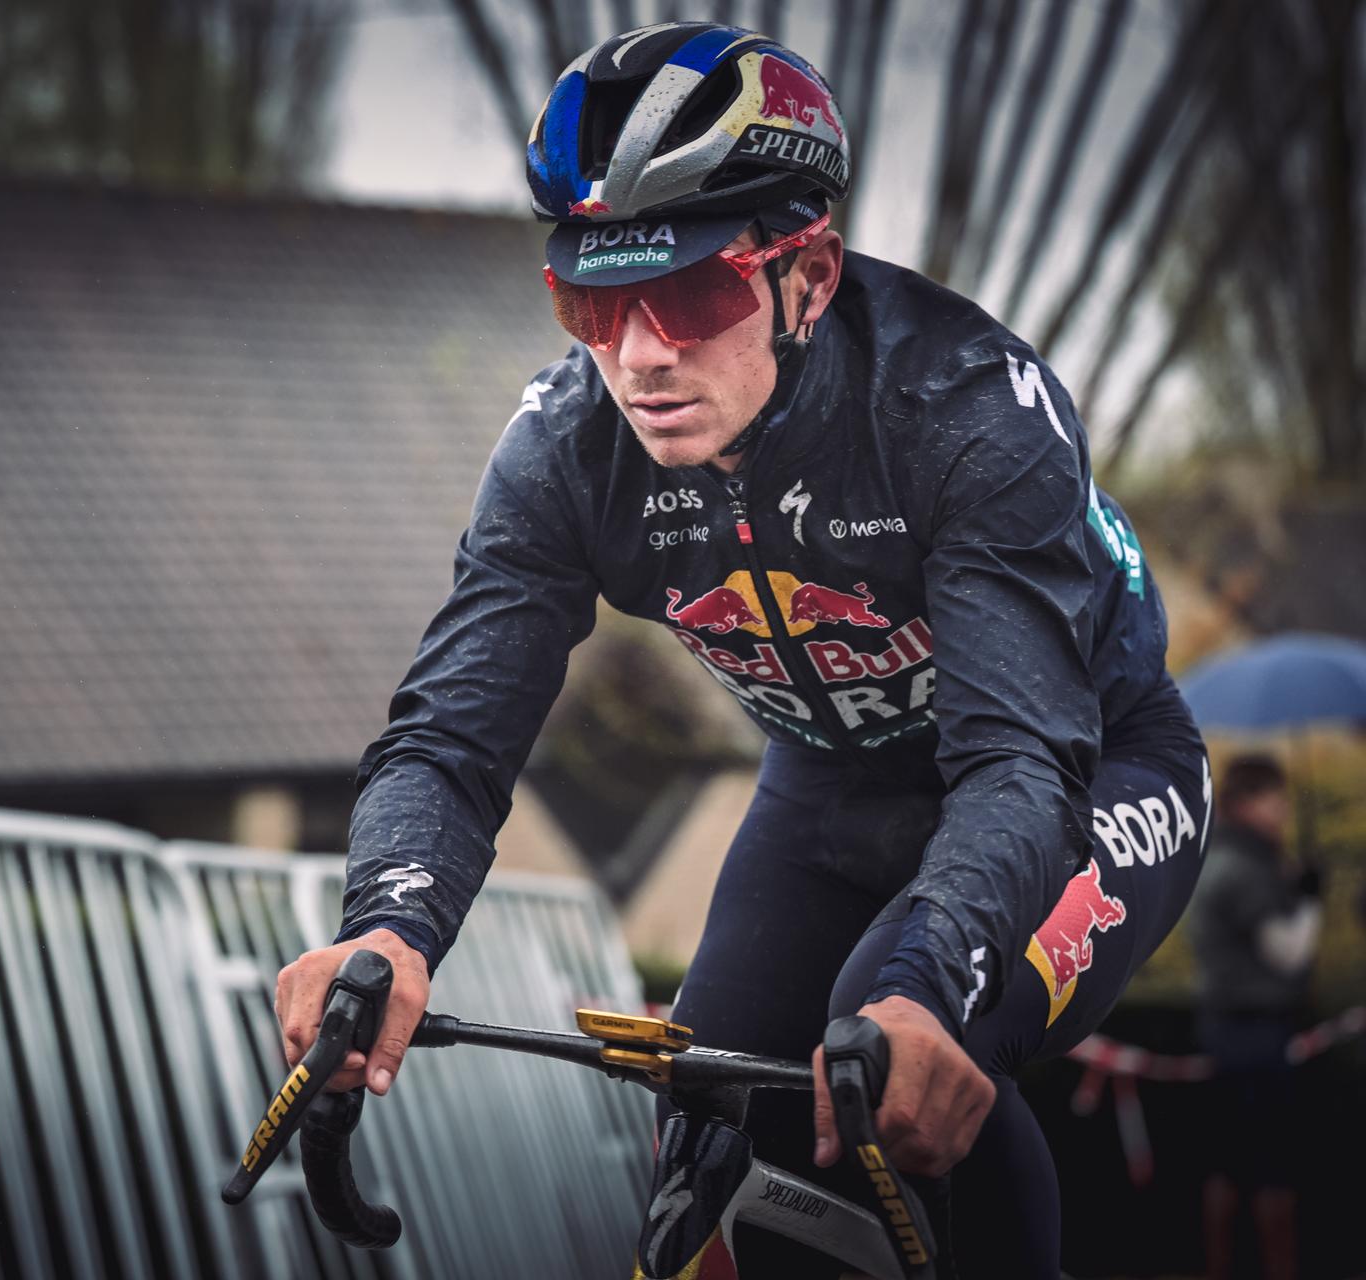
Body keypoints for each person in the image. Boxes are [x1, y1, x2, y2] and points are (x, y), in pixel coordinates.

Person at [274, 23, 1210, 1277]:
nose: (640, 353)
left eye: (694, 292)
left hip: (1089, 769)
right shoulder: (566, 450)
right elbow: (450, 733)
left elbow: (1017, 762)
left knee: (895, 1054)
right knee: (709, 1112)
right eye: (593, 300)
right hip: (826, 783)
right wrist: (387, 925)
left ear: (808, 276)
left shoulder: (966, 410)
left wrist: (931, 985)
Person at [1187, 753, 1322, 1280]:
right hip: (1256, 1031)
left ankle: (1219, 1268)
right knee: (1271, 1165)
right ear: (1246, 802)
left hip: (1223, 1027)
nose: (1283, 809)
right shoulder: (1246, 867)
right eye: (1274, 797)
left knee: (1227, 1161)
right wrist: (1310, 899)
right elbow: (1287, 953)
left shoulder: (1222, 855)